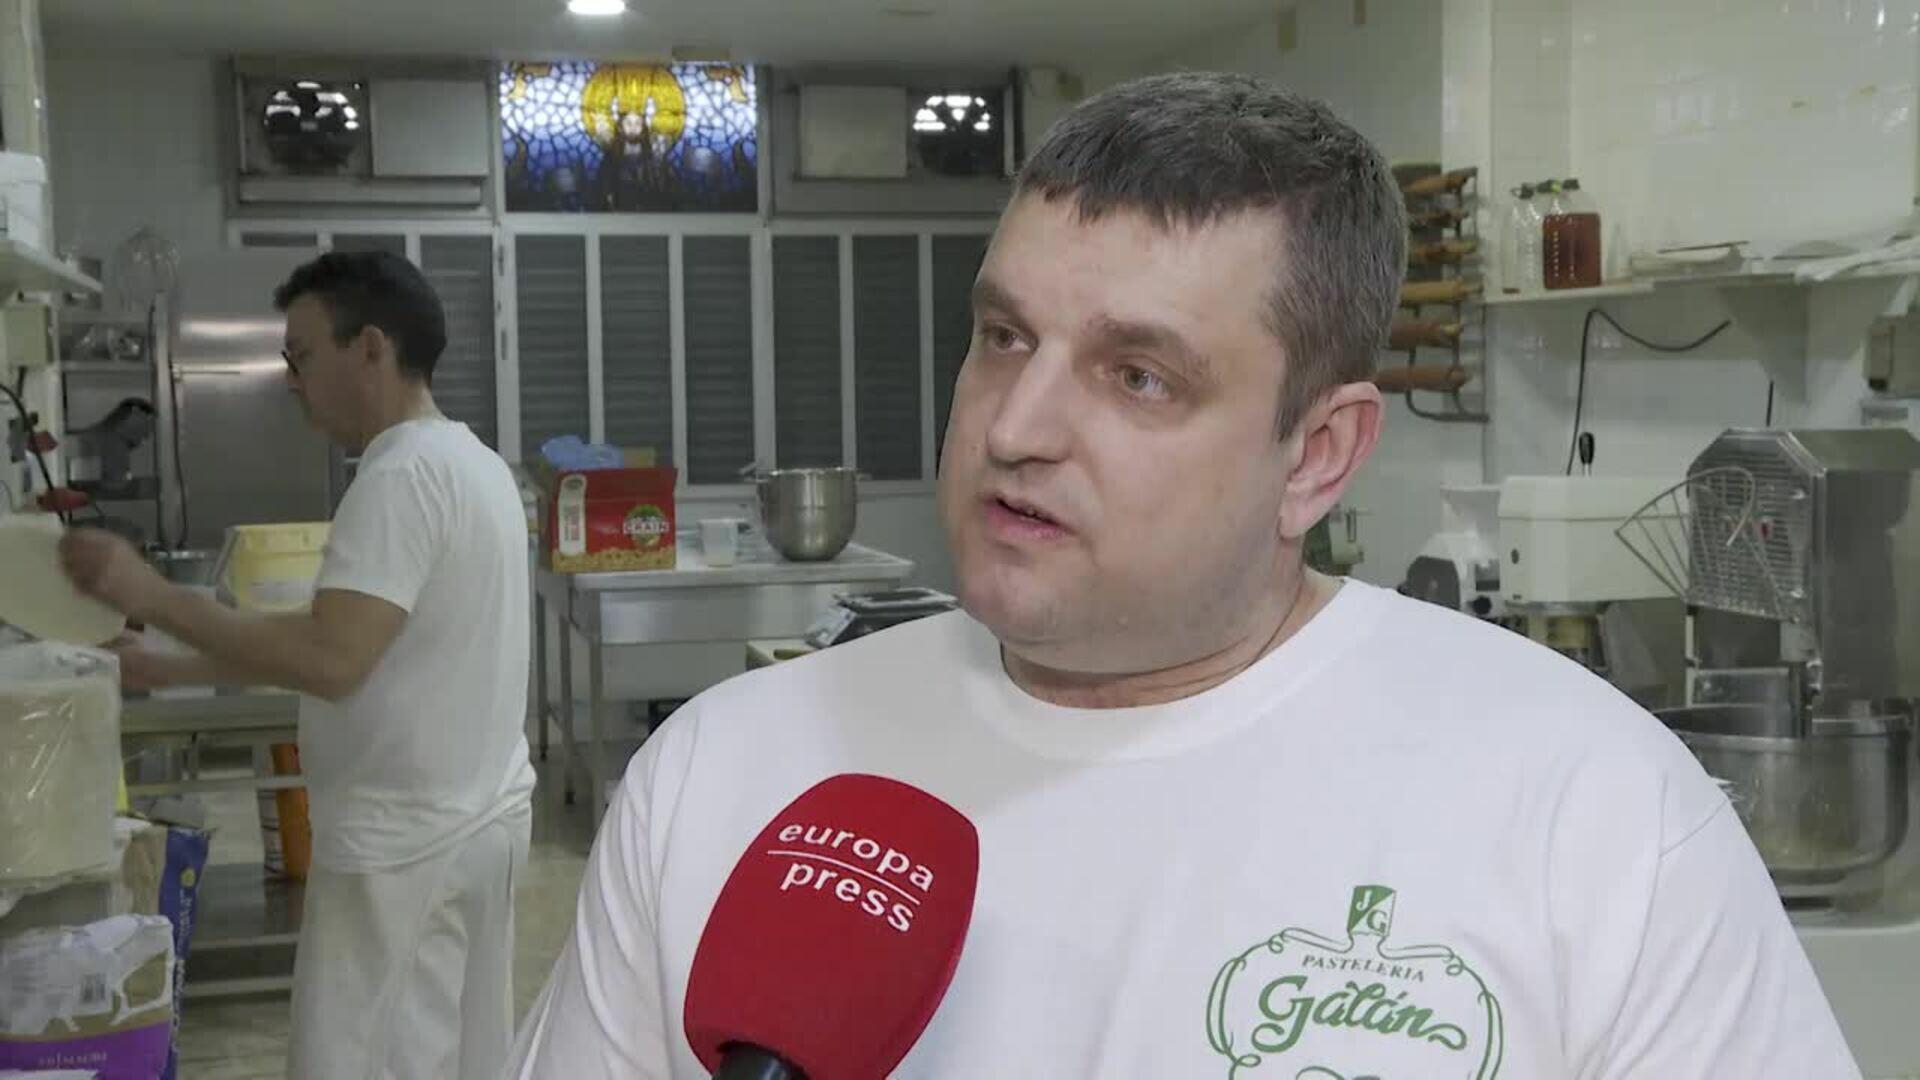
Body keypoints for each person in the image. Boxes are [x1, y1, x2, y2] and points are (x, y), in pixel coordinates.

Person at [505, 73, 1858, 1078]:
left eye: (1137, 376)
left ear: (1317, 457)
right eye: (1001, 336)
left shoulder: (1596, 816)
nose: (1015, 427)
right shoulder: (726, 774)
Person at [61, 251, 535, 1079]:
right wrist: (169, 669)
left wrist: (152, 595)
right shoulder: (474, 465)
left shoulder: (402, 476)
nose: (290, 377)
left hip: (406, 849)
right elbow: (358, 638)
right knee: (454, 1059)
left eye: (301, 354)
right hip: (471, 822)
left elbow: (332, 656)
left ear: (372, 350)